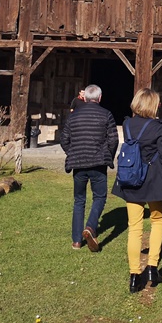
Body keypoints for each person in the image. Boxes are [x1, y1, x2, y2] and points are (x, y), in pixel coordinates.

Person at [111, 88, 162, 293]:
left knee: (134, 228)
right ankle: (153, 267)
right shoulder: (158, 127)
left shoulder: (127, 124)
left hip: (132, 179)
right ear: (153, 105)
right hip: (154, 179)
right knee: (157, 222)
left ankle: (134, 275)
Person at [60, 84, 119, 252]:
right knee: (99, 197)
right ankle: (91, 227)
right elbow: (113, 139)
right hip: (98, 163)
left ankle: (76, 241)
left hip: (78, 164)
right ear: (99, 98)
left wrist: (72, 153)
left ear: (84, 98)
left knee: (79, 200)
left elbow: (64, 139)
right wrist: (108, 155)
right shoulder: (106, 114)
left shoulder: (72, 117)